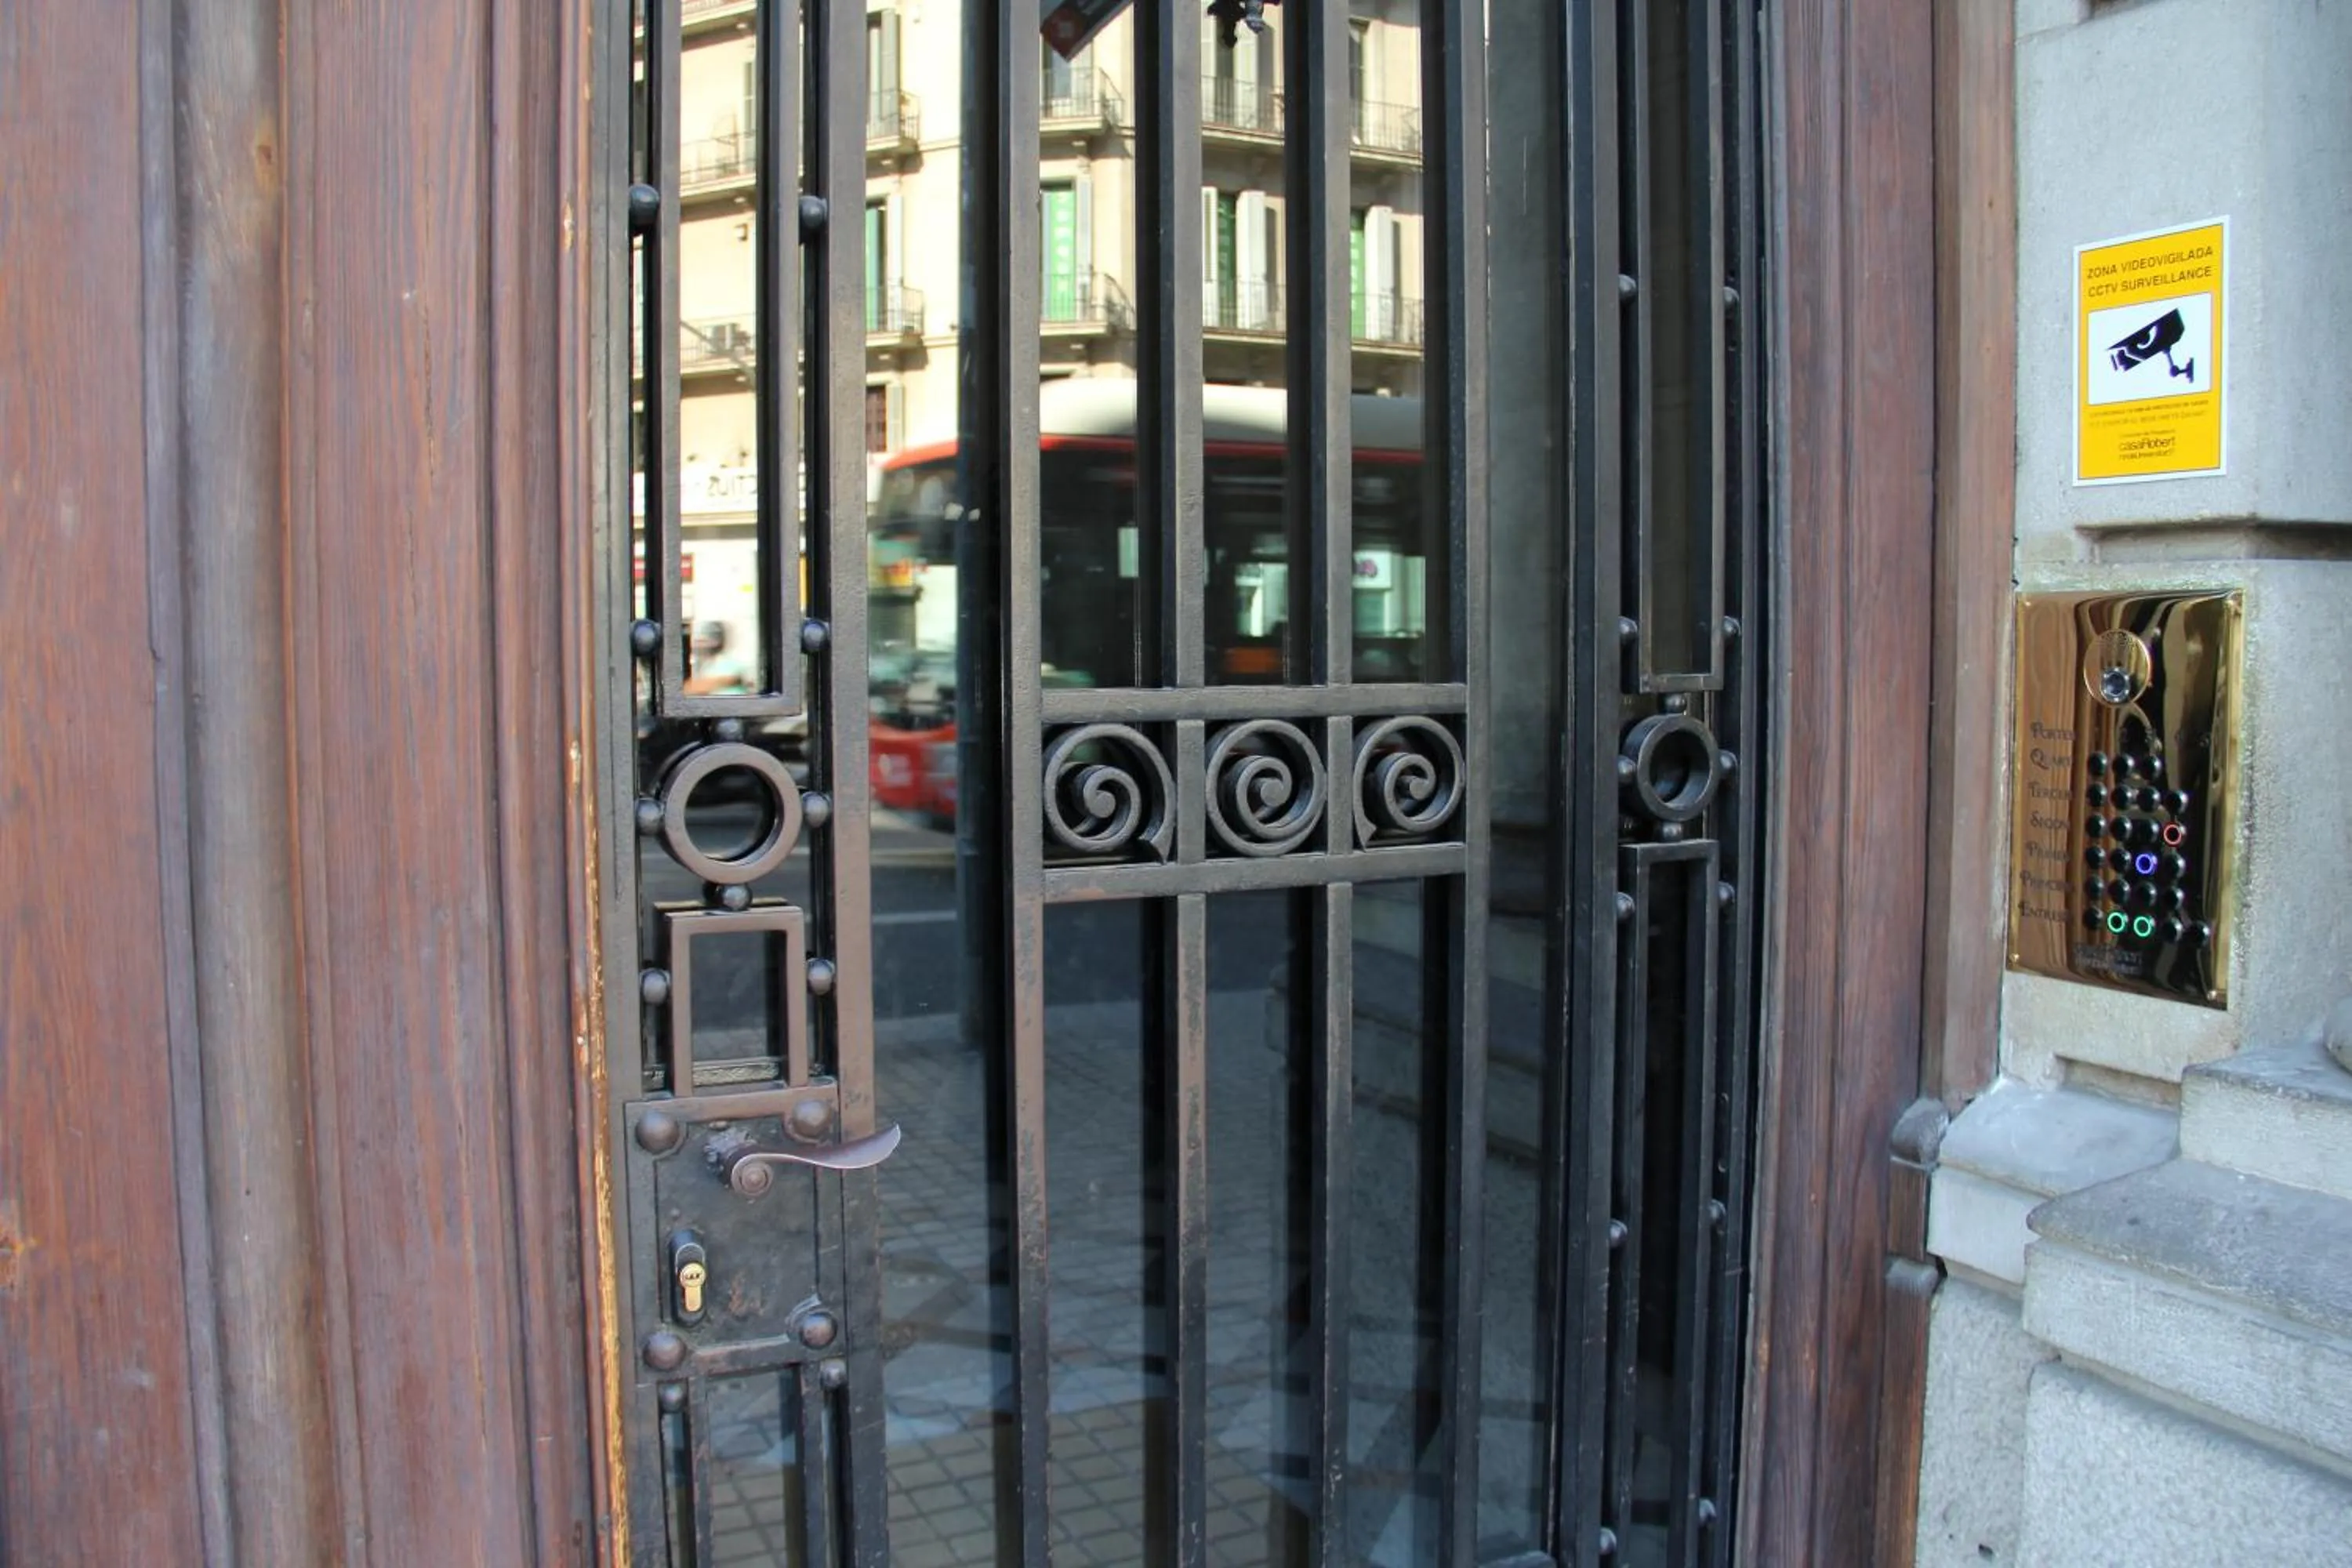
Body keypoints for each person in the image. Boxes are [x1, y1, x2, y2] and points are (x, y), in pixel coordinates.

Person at [682, 619, 752, 695]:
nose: (699, 645)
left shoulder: (728, 663)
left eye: (703, 641)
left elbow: (727, 680)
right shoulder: (707, 666)